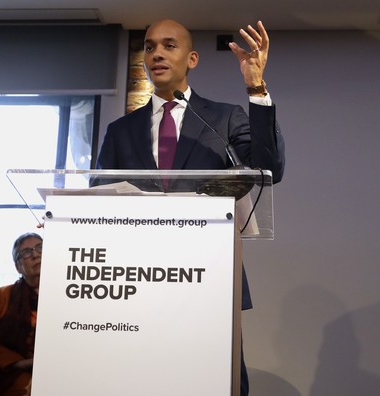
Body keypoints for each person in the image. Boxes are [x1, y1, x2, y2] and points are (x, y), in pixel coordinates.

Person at [95, 19, 286, 396]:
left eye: (169, 45)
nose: (157, 54)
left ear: (192, 58)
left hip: (209, 274)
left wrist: (255, 87)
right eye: (150, 47)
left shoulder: (223, 118)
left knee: (217, 380)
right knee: (143, 380)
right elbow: (99, 197)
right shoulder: (120, 130)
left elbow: (270, 169)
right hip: (137, 278)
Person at [0, 232, 42, 396]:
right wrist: (18, 362)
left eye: (40, 247)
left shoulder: (71, 294)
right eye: (26, 252)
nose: (35, 254)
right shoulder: (6, 295)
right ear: (18, 267)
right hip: (15, 372)